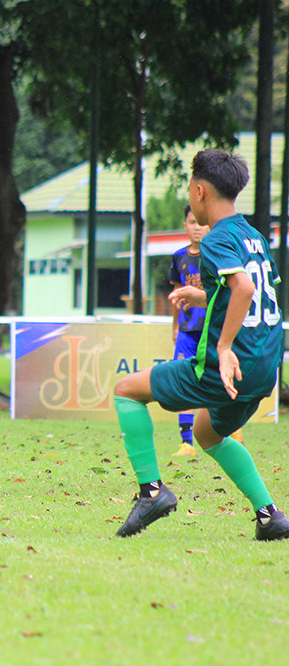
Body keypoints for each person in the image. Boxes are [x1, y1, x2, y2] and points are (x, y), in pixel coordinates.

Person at [112, 149, 288, 541]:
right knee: (207, 433)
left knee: (126, 391)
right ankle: (269, 516)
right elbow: (253, 295)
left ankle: (152, 493)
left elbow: (243, 288)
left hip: (228, 365)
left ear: (199, 191)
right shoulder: (253, 237)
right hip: (264, 367)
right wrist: (203, 295)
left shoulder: (216, 239)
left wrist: (223, 348)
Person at [168, 205, 208, 456]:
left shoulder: (217, 256)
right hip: (187, 329)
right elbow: (176, 294)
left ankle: (232, 435)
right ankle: (186, 442)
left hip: (211, 329)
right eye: (192, 222)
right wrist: (175, 325)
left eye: (201, 223)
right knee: (182, 380)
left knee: (216, 380)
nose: (197, 228)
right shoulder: (178, 257)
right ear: (185, 225)